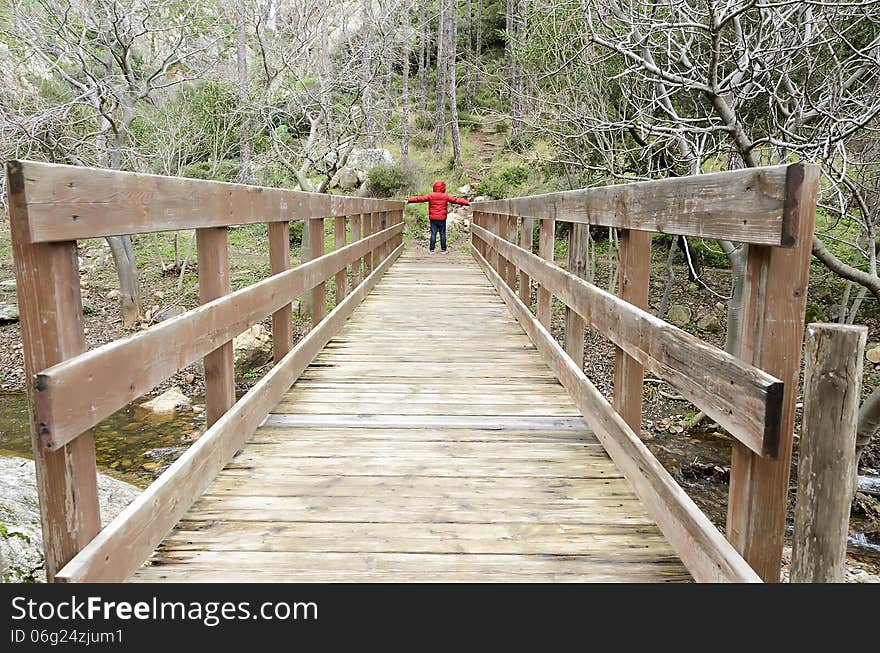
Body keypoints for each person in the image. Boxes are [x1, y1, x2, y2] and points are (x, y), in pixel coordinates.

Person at [407, 180, 469, 254]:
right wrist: (466, 203)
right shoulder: (445, 196)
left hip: (433, 219)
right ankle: (444, 250)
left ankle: (431, 250)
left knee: (433, 234)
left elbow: (420, 199)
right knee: (442, 234)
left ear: (434, 187)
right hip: (442, 219)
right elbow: (455, 200)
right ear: (443, 188)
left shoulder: (431, 195)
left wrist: (409, 200)